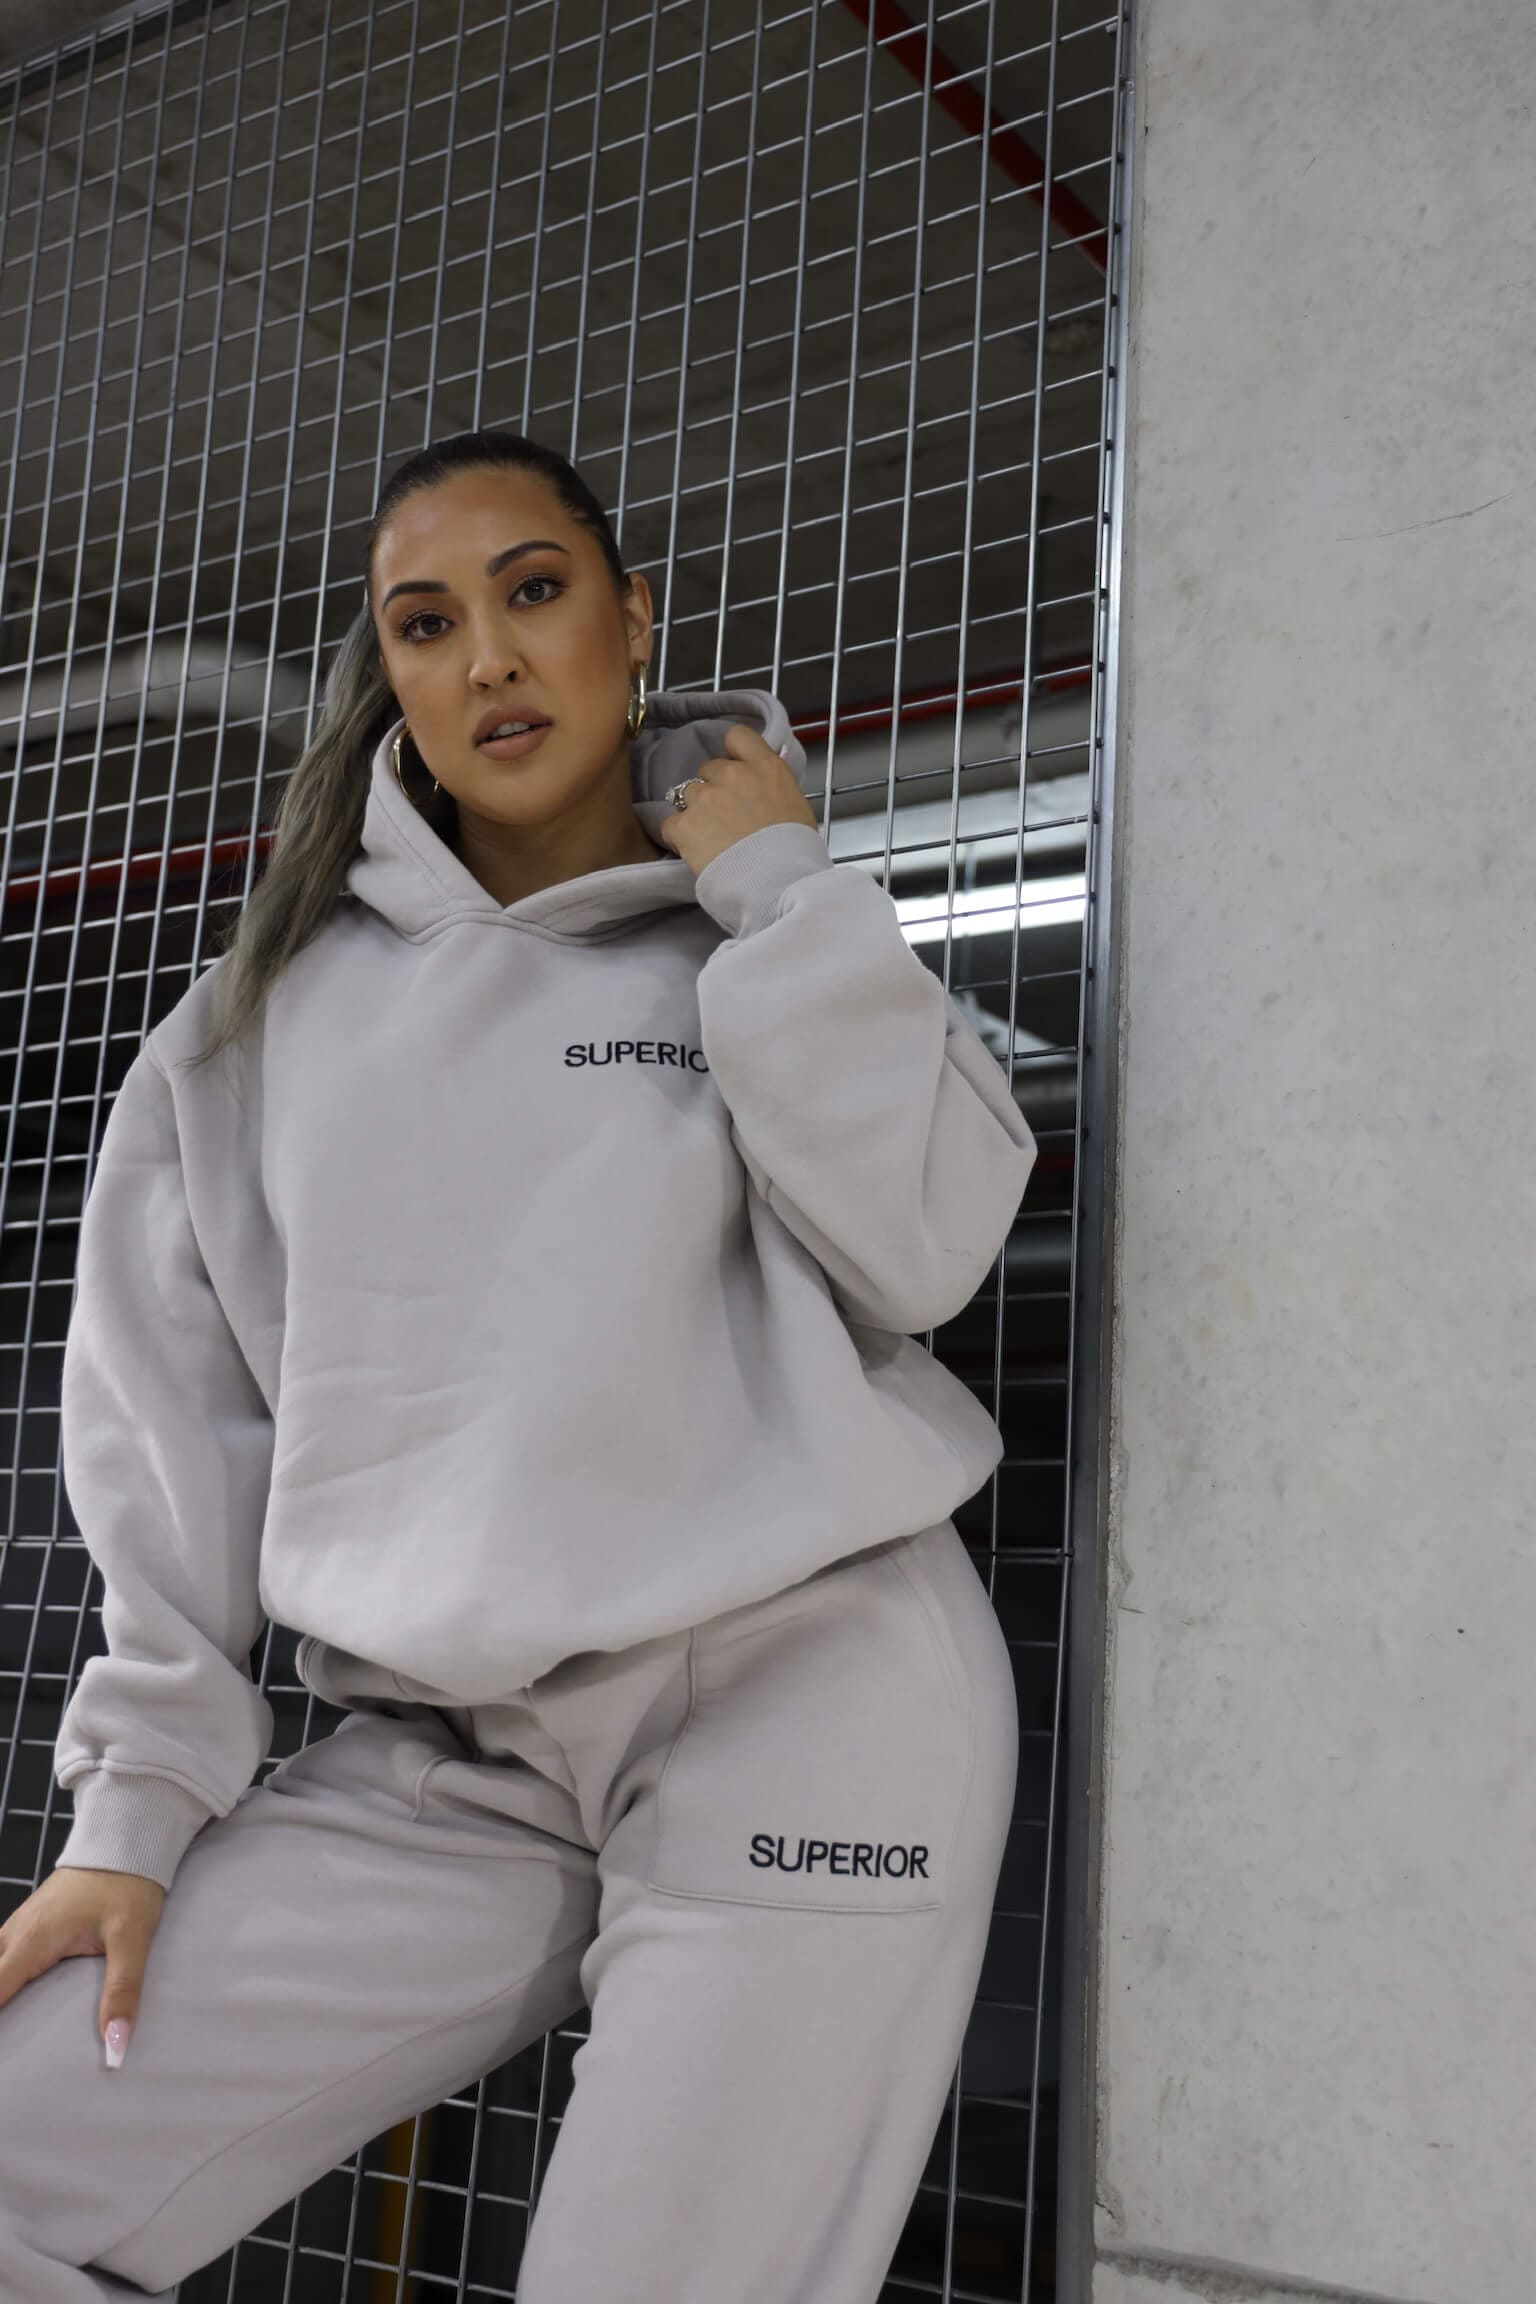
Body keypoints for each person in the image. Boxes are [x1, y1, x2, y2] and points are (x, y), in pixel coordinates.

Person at [0, 429, 1037, 2303]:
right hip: (451, 1751)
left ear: (630, 622)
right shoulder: (252, 1029)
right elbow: (167, 1432)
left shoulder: (763, 944)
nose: (487, 655)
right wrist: (134, 1814)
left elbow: (936, 1244)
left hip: (807, 1701)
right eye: (427, 620)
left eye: (533, 591)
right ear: (386, 675)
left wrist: (785, 898)